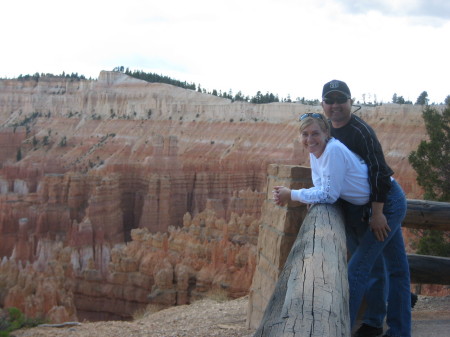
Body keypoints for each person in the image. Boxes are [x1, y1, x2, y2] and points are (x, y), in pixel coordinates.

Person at [321, 80, 411, 337]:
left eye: (341, 99)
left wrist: (379, 212)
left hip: (387, 203)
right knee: (395, 269)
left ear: (351, 102)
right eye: (330, 100)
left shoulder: (360, 131)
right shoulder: (329, 131)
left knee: (358, 269)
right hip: (366, 207)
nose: (336, 105)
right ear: (323, 104)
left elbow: (380, 172)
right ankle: (384, 327)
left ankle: (342, 331)